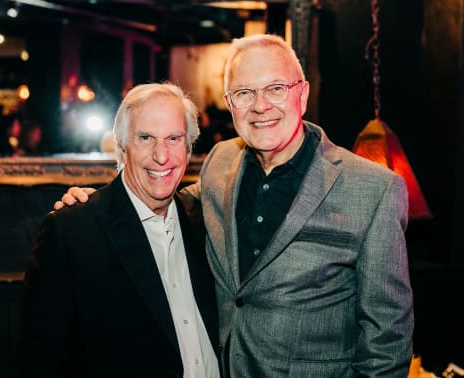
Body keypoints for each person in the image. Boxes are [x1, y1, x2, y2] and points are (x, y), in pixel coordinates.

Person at [57, 34, 414, 377]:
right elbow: (169, 200)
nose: (260, 106)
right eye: (244, 93)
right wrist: (100, 204)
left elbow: (387, 340)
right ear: (230, 104)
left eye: (276, 89)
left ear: (302, 95)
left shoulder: (373, 190)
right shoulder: (222, 161)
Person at [21, 83, 220, 377]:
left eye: (174, 138)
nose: (162, 156)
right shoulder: (72, 231)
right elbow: (41, 360)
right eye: (145, 138)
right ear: (122, 147)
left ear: (188, 148)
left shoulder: (204, 221)